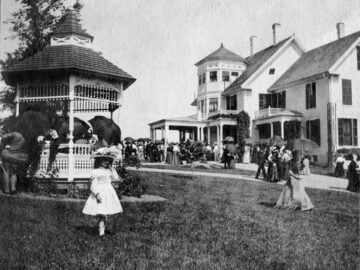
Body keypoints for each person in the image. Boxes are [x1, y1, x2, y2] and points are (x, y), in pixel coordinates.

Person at [82, 150, 123, 237]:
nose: (106, 162)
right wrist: (96, 194)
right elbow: (93, 185)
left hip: (108, 192)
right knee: (101, 212)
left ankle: (103, 228)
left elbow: (117, 179)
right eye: (104, 160)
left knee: (106, 211)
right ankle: (101, 231)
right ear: (99, 161)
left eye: (107, 160)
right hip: (100, 192)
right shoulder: (96, 171)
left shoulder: (109, 171)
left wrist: (112, 169)